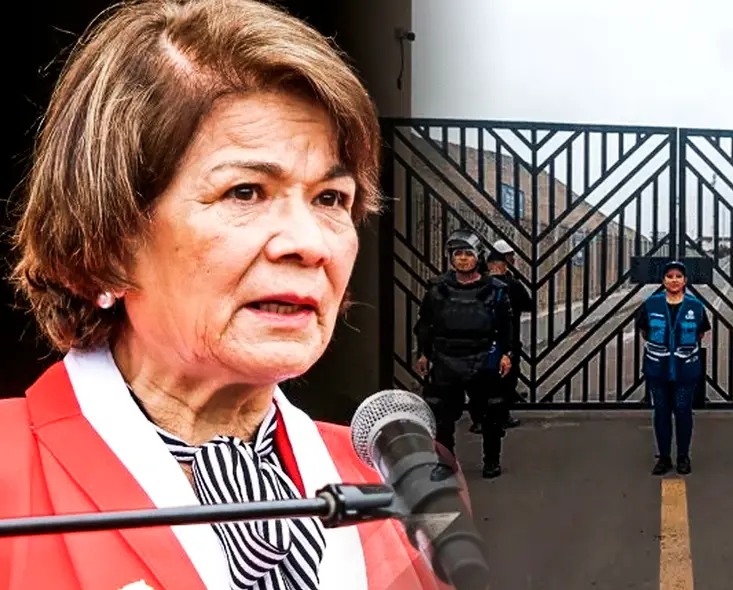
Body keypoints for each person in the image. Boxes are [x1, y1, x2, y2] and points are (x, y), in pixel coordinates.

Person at [0, 1, 457, 588]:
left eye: (331, 199)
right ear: (105, 245)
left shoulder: (403, 482)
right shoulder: (13, 473)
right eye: (245, 191)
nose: (309, 243)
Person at [414, 230, 514, 479]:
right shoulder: (437, 289)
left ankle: (491, 461)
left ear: (477, 257)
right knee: (441, 416)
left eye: (467, 254)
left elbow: (506, 326)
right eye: (457, 254)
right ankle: (445, 463)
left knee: (491, 413)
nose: (462, 259)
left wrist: (506, 354)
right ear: (451, 258)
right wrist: (423, 354)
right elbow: (425, 324)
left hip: (483, 358)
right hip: (446, 359)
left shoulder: (495, 290)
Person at [635, 261, 710, 476]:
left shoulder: (695, 306)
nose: (674, 280)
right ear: (663, 280)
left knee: (683, 411)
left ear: (685, 280)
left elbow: (700, 333)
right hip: (657, 369)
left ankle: (683, 456)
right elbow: (644, 329)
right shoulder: (652, 304)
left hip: (686, 370)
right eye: (669, 276)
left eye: (678, 276)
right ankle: (664, 457)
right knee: (661, 413)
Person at [467, 239, 532, 433]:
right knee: (505, 380)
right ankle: (502, 417)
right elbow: (529, 305)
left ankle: (478, 419)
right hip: (506, 340)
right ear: (504, 262)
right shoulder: (512, 285)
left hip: (478, 342)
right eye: (511, 258)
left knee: (477, 381)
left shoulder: (477, 283)